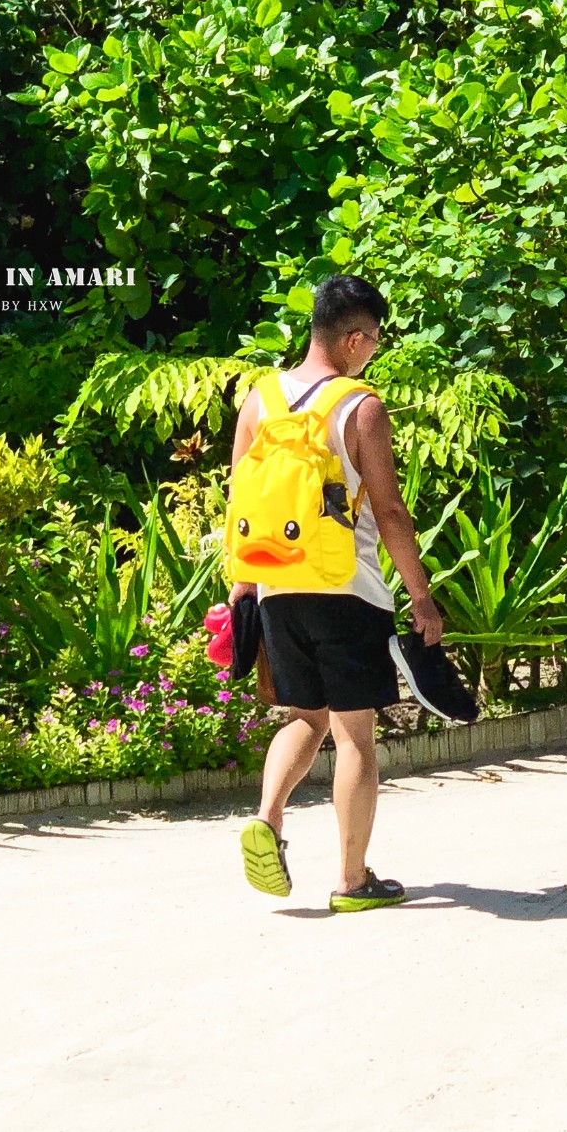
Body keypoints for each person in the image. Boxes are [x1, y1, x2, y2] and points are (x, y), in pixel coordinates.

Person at [231, 275, 444, 912]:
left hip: (274, 586)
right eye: (373, 340)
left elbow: (239, 495)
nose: (373, 350)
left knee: (304, 716)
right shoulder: (361, 406)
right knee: (355, 735)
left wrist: (243, 586)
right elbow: (391, 511)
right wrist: (421, 596)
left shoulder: (259, 399)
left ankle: (267, 819)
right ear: (352, 338)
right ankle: (353, 881)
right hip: (347, 590)